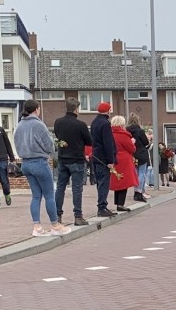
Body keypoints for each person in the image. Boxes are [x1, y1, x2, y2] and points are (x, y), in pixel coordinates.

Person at [14, 100, 69, 238]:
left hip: (25, 163)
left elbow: (16, 143)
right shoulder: (38, 124)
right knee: (49, 195)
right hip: (39, 162)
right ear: (37, 109)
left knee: (36, 196)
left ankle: (37, 226)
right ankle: (55, 225)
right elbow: (49, 145)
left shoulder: (19, 125)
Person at [53, 98, 90, 227]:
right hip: (77, 159)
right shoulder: (81, 125)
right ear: (76, 109)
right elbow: (89, 141)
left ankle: (57, 215)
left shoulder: (58, 122)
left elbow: (57, 136)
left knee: (60, 188)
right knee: (77, 188)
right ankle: (78, 216)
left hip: (63, 158)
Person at [88, 101, 118, 218]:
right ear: (107, 111)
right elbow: (108, 143)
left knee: (99, 182)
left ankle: (103, 205)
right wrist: (111, 160)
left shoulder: (94, 122)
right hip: (103, 159)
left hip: (95, 156)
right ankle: (102, 207)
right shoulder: (105, 124)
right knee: (104, 183)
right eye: (110, 110)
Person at [108, 115, 138, 211]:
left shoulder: (109, 133)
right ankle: (120, 204)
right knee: (123, 182)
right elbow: (131, 149)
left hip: (113, 159)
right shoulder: (124, 135)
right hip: (124, 160)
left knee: (117, 182)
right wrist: (132, 142)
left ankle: (117, 202)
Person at [127, 112, 152, 202]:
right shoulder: (140, 131)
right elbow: (145, 142)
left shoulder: (126, 131)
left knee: (135, 174)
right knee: (142, 174)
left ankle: (135, 191)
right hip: (141, 153)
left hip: (132, 154)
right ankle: (139, 192)